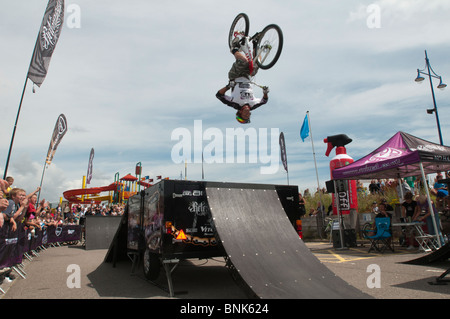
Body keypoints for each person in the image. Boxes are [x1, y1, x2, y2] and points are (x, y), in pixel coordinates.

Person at [216, 38, 269, 124]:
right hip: (248, 76)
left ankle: (234, 49)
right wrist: (265, 92)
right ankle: (256, 43)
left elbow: (219, 95)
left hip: (236, 75)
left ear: (240, 112)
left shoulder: (235, 104)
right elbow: (264, 101)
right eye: (248, 115)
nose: (247, 114)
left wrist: (228, 86)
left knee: (244, 61)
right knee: (257, 63)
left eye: (245, 115)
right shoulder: (253, 105)